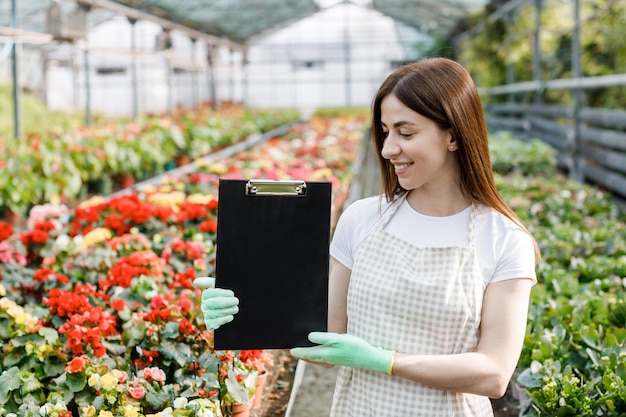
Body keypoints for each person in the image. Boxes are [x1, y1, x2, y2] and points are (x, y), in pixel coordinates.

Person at [194, 56, 539, 417]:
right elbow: (324, 338)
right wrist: (243, 309)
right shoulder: (361, 219)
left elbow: (494, 374)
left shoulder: (504, 239)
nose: (389, 149)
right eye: (386, 131)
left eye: (405, 133)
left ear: (453, 135)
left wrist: (384, 361)